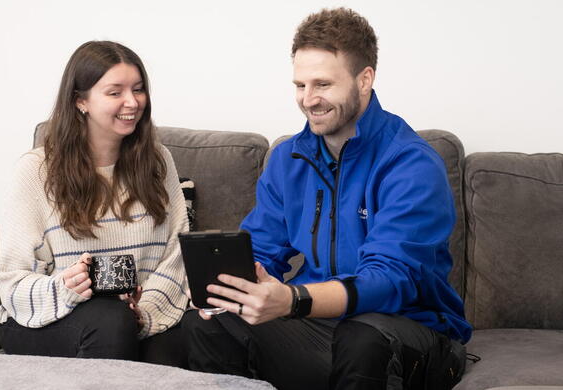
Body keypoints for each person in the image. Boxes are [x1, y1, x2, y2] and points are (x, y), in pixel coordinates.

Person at [182, 8, 471, 390]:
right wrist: (236, 286)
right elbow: (263, 250)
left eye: (322, 84)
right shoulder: (289, 159)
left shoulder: (411, 164)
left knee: (363, 337)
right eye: (300, 85)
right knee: (211, 322)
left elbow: (389, 281)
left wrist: (293, 299)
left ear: (364, 79)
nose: (308, 99)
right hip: (319, 326)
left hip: (412, 331)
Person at [0, 41, 189, 365]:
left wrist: (145, 313)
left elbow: (176, 253)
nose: (132, 102)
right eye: (115, 92)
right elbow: (12, 275)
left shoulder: (158, 162)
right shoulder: (36, 171)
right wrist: (65, 287)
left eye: (138, 89)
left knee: (179, 339)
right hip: (48, 316)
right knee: (110, 321)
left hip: (137, 314)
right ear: (80, 100)